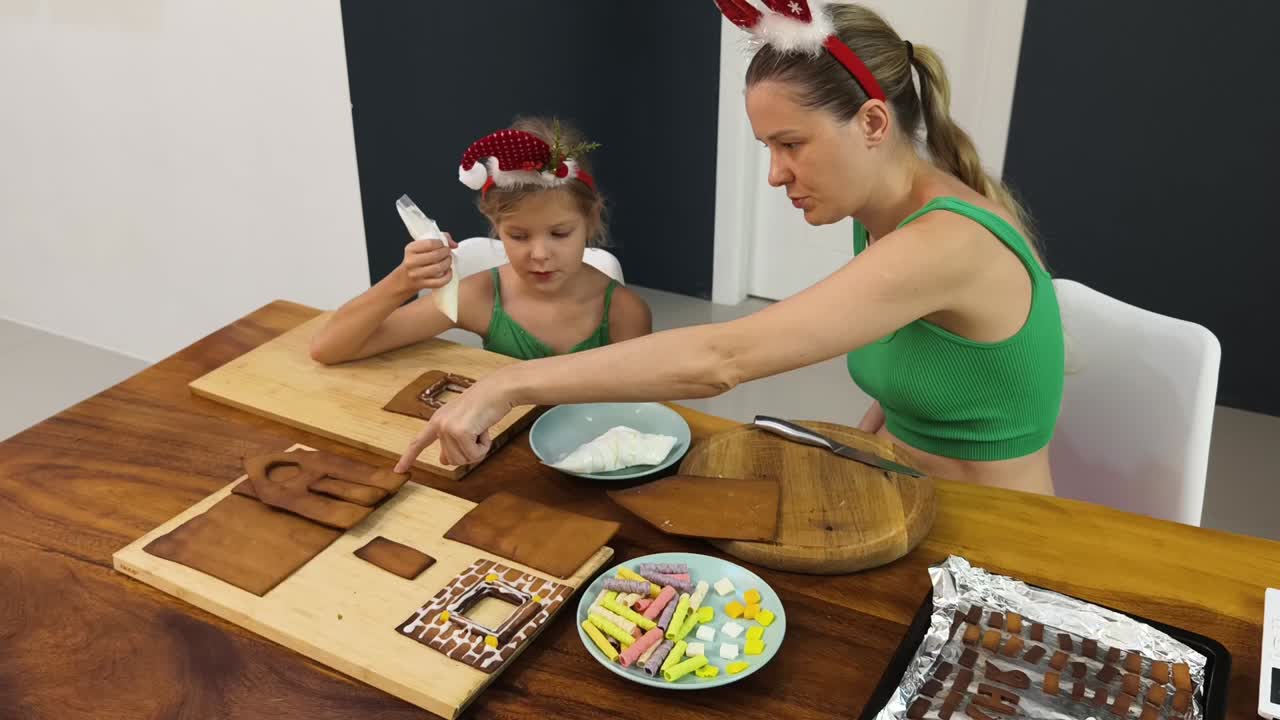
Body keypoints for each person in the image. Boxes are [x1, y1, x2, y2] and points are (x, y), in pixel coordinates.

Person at [393, 3, 1064, 495]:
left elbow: (721, 358)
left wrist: (509, 381)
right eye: (767, 148)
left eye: (790, 144)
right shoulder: (883, 213)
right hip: (908, 496)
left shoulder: (944, 242)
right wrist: (862, 453)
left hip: (996, 538)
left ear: (872, 122)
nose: (775, 173)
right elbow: (919, 378)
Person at [309, 116, 652, 366]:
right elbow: (330, 348)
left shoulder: (625, 313)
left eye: (560, 234)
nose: (540, 254)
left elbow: (644, 414)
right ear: (496, 226)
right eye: (518, 236)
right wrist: (403, 281)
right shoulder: (482, 297)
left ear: (591, 220)